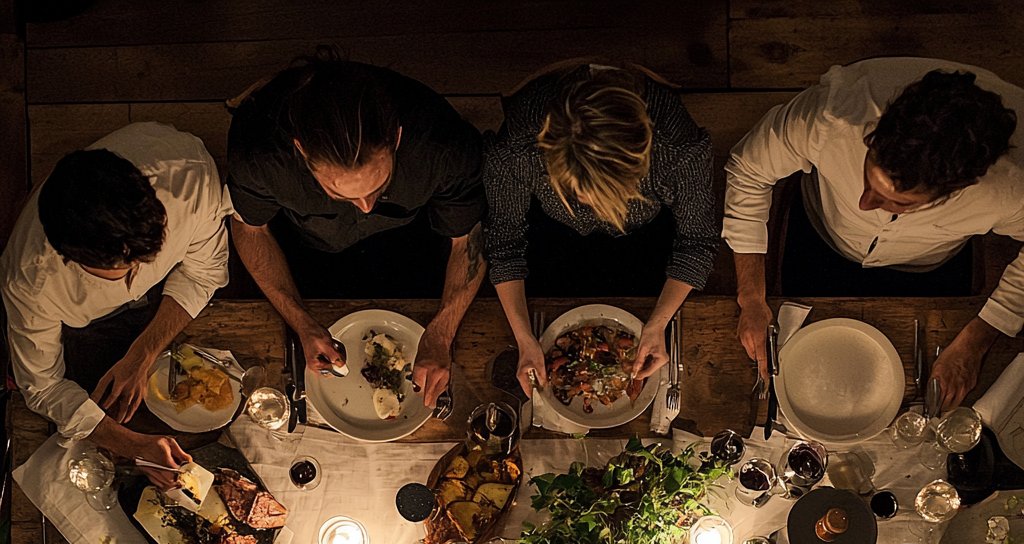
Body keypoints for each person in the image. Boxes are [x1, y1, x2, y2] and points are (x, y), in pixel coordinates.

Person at [723, 58, 1024, 410]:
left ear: (956, 189)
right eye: (869, 178)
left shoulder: (1010, 187)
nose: (865, 204)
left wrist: (979, 338)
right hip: (819, 234)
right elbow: (748, 170)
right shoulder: (833, 115)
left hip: (930, 268)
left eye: (896, 202)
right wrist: (752, 298)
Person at [227, 53, 486, 408]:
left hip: (413, 241)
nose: (366, 206)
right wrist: (301, 323)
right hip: (306, 250)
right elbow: (251, 230)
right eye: (339, 192)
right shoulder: (260, 155)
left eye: (378, 187)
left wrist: (442, 332)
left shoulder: (441, 145)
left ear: (396, 138)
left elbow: (468, 240)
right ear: (301, 152)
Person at [0, 123, 231, 488]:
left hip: (168, 293)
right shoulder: (32, 280)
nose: (134, 276)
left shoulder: (190, 178)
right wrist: (132, 445)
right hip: (82, 327)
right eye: (119, 270)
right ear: (68, 255)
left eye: (147, 255)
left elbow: (204, 274)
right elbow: (43, 387)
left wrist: (143, 353)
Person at [485, 62, 719, 394]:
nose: (593, 206)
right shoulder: (520, 148)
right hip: (553, 237)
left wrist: (657, 324)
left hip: (646, 240)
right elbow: (504, 242)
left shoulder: (676, 146)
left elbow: (696, 241)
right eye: (576, 192)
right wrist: (524, 339)